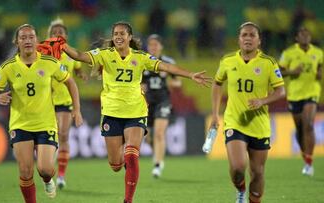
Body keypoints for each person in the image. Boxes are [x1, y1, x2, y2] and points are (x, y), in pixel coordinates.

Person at [62, 21, 212, 203]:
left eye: (122, 34)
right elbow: (79, 55)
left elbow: (166, 66)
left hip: (136, 112)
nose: (118, 36)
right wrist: (62, 45)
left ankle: (128, 200)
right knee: (116, 165)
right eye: (116, 33)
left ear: (129, 37)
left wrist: (190, 75)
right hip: (112, 113)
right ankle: (124, 158)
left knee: (132, 156)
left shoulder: (140, 57)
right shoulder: (104, 55)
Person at [0, 24, 83, 203]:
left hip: (45, 124)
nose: (28, 41)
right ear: (17, 42)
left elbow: (71, 82)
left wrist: (77, 110)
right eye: (23, 38)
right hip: (20, 124)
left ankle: (48, 180)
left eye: (31, 37)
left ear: (37, 40)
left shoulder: (50, 63)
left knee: (45, 170)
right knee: (25, 172)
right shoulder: (8, 67)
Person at [210, 22, 285, 203]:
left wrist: (262, 101)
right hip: (235, 121)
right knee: (237, 167)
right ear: (238, 39)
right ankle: (241, 190)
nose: (248, 38)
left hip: (259, 124)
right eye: (244, 35)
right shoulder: (228, 60)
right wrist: (215, 114)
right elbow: (217, 83)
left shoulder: (268, 62)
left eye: (252, 35)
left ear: (259, 41)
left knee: (258, 172)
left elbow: (281, 91)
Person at [47, 18, 87, 189]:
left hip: (65, 101)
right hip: (45, 102)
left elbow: (77, 67)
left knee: (63, 135)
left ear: (66, 36)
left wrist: (81, 74)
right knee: (48, 138)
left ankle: (61, 175)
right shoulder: (43, 54)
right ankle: (47, 171)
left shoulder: (71, 55)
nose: (58, 34)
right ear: (49, 35)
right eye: (55, 32)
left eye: (61, 32)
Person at [279, 27, 323, 176]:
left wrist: (320, 73)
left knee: (309, 124)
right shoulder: (288, 53)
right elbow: (278, 72)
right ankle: (305, 157)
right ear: (297, 38)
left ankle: (309, 162)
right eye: (302, 34)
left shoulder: (318, 53)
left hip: (312, 92)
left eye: (308, 34)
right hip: (295, 95)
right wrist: (292, 72)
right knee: (299, 129)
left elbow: (320, 66)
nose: (306, 37)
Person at [141, 34, 181, 178]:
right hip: (146, 104)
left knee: (159, 133)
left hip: (163, 101)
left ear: (161, 46)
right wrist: (140, 87)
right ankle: (157, 155)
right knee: (148, 138)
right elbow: (136, 83)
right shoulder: (142, 61)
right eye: (151, 45)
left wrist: (169, 83)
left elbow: (178, 82)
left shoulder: (168, 62)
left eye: (156, 44)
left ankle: (158, 165)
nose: (153, 47)